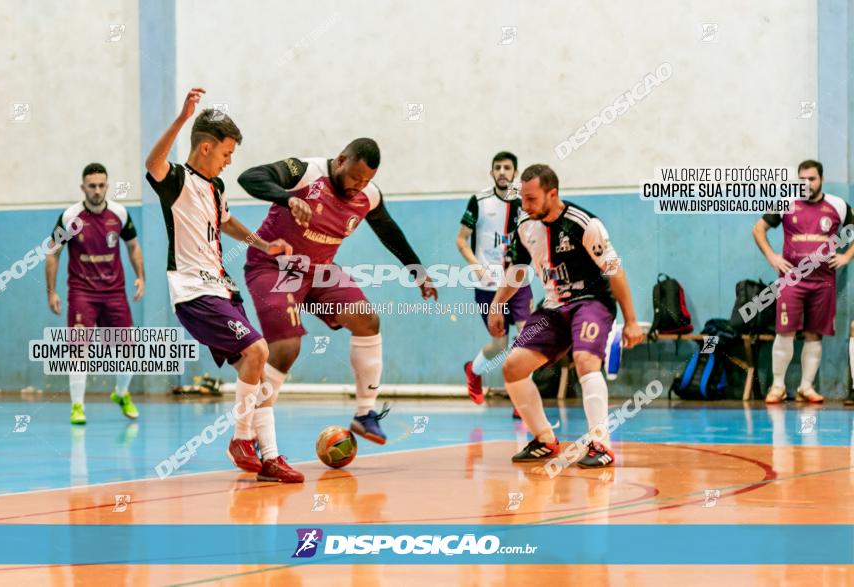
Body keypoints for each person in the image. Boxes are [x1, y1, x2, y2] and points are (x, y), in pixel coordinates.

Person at [237, 138, 437, 451]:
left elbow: (388, 229)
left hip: (318, 270)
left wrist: (417, 270)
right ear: (341, 159)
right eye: (355, 177)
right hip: (273, 267)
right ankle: (248, 433)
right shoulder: (305, 171)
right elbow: (249, 177)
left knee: (367, 320)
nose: (360, 185)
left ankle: (365, 413)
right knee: (287, 348)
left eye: (367, 180)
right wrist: (288, 198)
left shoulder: (368, 195)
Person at [145, 87, 300, 483]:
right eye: (227, 153)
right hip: (194, 293)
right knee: (258, 349)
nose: (230, 161)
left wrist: (264, 245)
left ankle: (270, 457)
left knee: (258, 366)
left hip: (221, 288)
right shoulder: (176, 179)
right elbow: (152, 160)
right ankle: (240, 440)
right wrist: (182, 119)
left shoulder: (215, 188)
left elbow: (226, 222)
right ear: (205, 148)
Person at [489, 164, 643, 468]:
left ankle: (600, 443)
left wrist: (632, 320)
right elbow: (517, 272)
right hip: (552, 309)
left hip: (591, 303)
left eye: (532, 199)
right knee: (512, 368)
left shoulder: (584, 224)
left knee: (586, 362)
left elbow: (615, 271)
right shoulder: (525, 227)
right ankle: (544, 439)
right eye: (523, 198)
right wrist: (497, 304)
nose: (525, 205)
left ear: (552, 194)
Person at [46, 163, 144, 425]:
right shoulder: (70, 218)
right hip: (82, 293)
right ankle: (77, 406)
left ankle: (121, 394)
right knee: (79, 349)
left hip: (114, 293)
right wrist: (51, 291)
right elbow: (52, 253)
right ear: (83, 188)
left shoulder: (120, 214)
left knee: (129, 350)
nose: (97, 190)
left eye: (101, 185)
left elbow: (133, 246)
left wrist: (140, 277)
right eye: (92, 186)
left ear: (107, 187)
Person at [752, 159, 854, 404]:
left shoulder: (838, 206)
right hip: (792, 281)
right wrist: (773, 258)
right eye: (802, 179)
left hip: (823, 282)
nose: (806, 183)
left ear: (821, 180)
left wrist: (846, 256)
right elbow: (758, 230)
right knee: (784, 333)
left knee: (814, 335)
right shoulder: (786, 203)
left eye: (811, 179)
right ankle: (777, 387)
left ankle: (806, 387)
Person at [456, 151, 533, 405]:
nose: (502, 172)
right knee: (499, 345)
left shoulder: (525, 203)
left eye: (507, 168)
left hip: (518, 281)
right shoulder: (479, 201)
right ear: (492, 173)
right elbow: (461, 240)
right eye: (497, 167)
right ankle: (473, 371)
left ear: (515, 173)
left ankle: (521, 403)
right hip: (488, 284)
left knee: (526, 339)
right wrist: (476, 266)